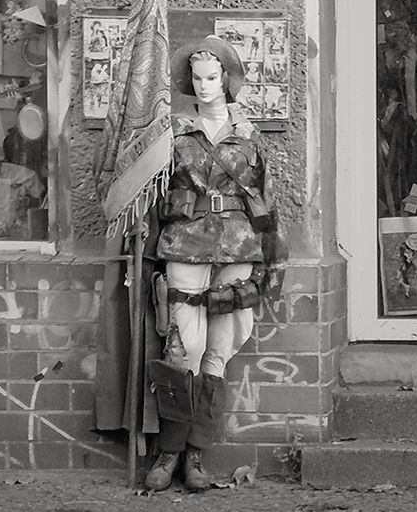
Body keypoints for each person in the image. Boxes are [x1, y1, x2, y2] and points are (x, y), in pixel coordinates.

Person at [145, 37, 283, 492]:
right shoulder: (174, 131)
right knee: (183, 347)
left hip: (239, 246)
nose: (204, 87)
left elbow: (267, 199)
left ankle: (197, 456)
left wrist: (272, 261)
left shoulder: (249, 133)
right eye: (197, 78)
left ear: (226, 78)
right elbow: (150, 194)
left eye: (213, 77)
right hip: (185, 242)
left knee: (221, 348)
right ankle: (170, 450)